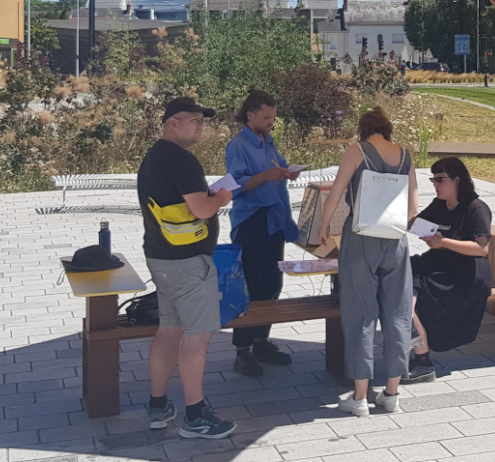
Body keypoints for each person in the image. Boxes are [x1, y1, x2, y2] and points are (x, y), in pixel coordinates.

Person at [137, 97, 236, 439]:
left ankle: (158, 404)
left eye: (202, 121)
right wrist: (221, 198)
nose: (200, 126)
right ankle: (195, 415)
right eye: (193, 120)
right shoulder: (182, 160)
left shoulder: (152, 158)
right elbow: (202, 209)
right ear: (172, 123)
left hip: (161, 258)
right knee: (198, 336)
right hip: (189, 264)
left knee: (169, 330)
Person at [318, 107, 417, 417]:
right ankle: (391, 393)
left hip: (361, 237)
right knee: (398, 313)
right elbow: (413, 207)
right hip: (396, 240)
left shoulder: (356, 151)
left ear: (363, 130)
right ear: (387, 130)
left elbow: (335, 195)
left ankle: (360, 397)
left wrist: (323, 228)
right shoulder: (405, 155)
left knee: (360, 312)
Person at [225, 90, 300, 377]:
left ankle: (261, 340)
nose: (271, 122)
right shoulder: (238, 145)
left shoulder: (268, 141)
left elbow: (275, 168)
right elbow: (234, 185)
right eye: (267, 117)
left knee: (272, 283)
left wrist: (286, 172)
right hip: (253, 220)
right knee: (251, 285)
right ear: (250, 115)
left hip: (274, 218)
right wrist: (267, 176)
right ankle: (242, 350)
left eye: (274, 117)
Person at [406, 157, 492, 383]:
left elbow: (482, 249)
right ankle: (415, 345)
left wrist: (442, 242)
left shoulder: (475, 208)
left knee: (406, 301)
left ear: (457, 180)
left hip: (463, 276)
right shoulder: (439, 205)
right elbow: (413, 224)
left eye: (440, 179)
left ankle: (422, 359)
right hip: (437, 265)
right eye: (433, 179)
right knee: (398, 279)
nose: (435, 184)